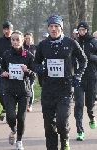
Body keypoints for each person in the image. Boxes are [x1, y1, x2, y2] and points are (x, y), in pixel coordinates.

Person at [33, 15, 87, 150]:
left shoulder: (70, 43)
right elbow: (35, 62)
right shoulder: (42, 45)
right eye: (51, 26)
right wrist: (38, 68)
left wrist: (78, 75)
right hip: (48, 88)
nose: (53, 29)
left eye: (56, 26)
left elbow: (83, 60)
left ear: (61, 28)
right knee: (49, 125)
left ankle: (64, 137)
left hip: (65, 88)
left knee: (62, 122)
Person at [0, 30, 35, 150]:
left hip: (23, 91)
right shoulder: (6, 54)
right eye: (13, 40)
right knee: (10, 116)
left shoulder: (29, 56)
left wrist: (28, 71)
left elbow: (34, 74)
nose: (15, 42)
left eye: (17, 40)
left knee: (21, 117)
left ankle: (19, 141)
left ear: (22, 41)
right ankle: (13, 129)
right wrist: (3, 73)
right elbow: (1, 68)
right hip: (9, 90)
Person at [74, 21, 97, 141]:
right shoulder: (75, 43)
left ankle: (92, 116)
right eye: (80, 30)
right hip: (79, 78)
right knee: (78, 104)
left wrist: (92, 57)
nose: (81, 32)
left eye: (83, 30)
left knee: (89, 104)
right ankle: (80, 131)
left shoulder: (94, 42)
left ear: (87, 30)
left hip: (91, 77)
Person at [0, 21, 13, 121]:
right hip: (1, 69)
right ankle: (5, 107)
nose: (6, 31)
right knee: (1, 92)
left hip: (13, 69)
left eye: (8, 29)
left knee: (12, 92)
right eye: (5, 29)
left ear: (11, 30)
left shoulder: (14, 40)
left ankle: (10, 109)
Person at [23, 32, 36, 112]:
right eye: (26, 38)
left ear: (32, 39)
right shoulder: (22, 48)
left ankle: (30, 104)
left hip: (32, 70)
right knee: (25, 87)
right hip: (23, 70)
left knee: (30, 86)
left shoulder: (35, 47)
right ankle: (25, 103)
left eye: (29, 38)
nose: (27, 40)